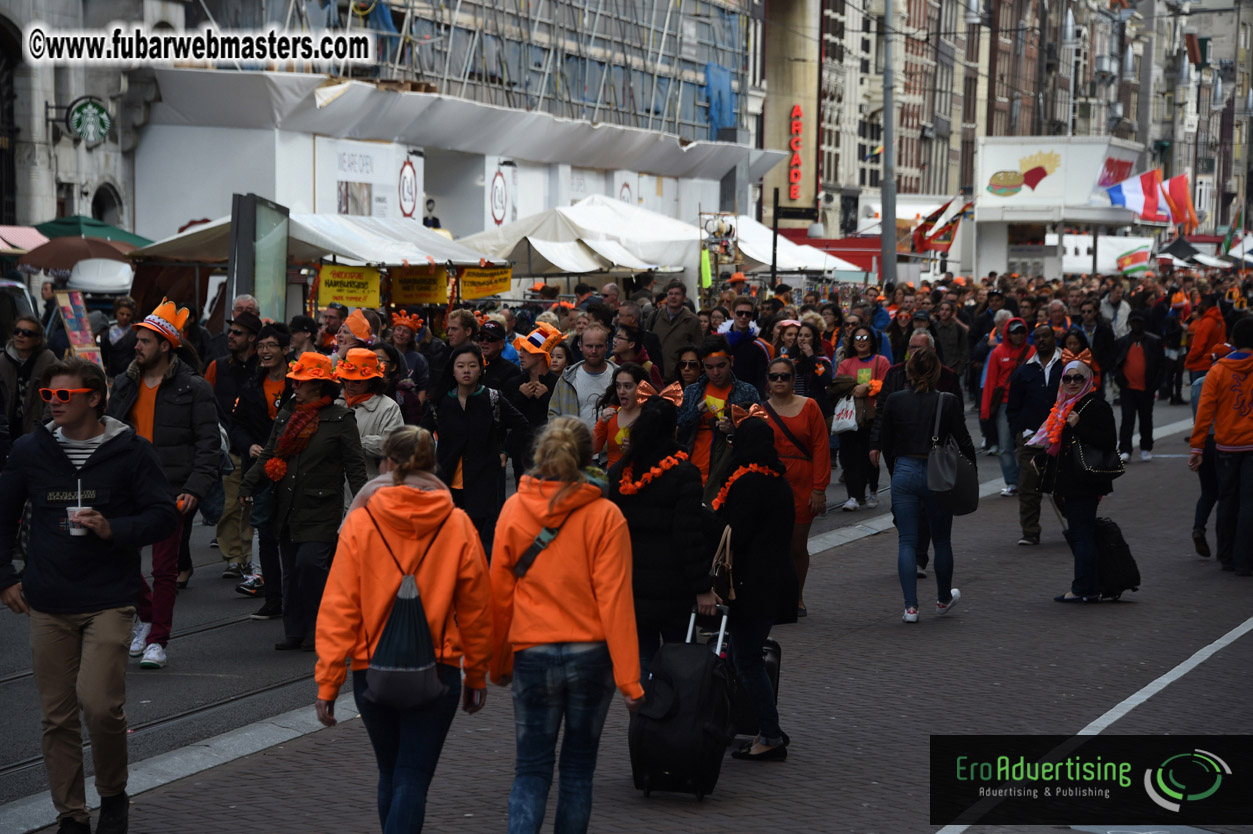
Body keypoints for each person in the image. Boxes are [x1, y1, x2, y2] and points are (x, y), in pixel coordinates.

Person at [0, 356, 178, 834]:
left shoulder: (131, 451)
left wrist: (112, 528)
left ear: (94, 398)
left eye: (65, 395)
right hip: (49, 601)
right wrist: (5, 576)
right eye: (47, 395)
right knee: (57, 717)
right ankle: (72, 816)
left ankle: (113, 795)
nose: (54, 402)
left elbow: (164, 516)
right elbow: (3, 517)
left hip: (109, 598)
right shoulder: (30, 450)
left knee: (100, 705)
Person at [314, 426, 494, 834]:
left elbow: (338, 607)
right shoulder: (457, 523)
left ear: (387, 465)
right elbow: (478, 610)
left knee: (389, 772)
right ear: (433, 463)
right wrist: (477, 673)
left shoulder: (361, 522)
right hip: (438, 666)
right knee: (412, 776)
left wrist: (328, 682)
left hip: (371, 666)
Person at [490, 418, 643, 834]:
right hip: (590, 654)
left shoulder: (514, 508)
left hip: (532, 650)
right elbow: (615, 600)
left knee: (531, 770)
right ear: (587, 456)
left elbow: (500, 595)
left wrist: (498, 662)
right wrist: (630, 680)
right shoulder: (606, 515)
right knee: (577, 771)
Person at [106, 300, 219, 670]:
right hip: (126, 486)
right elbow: (107, 428)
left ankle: (157, 639)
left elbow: (208, 446)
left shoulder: (194, 388)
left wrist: (194, 489)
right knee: (117, 557)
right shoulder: (125, 381)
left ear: (166, 345)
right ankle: (148, 615)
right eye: (137, 340)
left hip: (172, 489)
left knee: (165, 569)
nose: (136, 346)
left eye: (144, 341)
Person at [239, 351, 368, 651]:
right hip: (287, 505)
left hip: (322, 507)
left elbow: (355, 466)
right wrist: (248, 484)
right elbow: (270, 453)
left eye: (303, 381)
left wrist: (365, 505)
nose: (295, 385)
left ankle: (322, 627)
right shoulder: (287, 413)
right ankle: (295, 630)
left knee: (311, 565)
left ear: (320, 386)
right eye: (295, 380)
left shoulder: (340, 419)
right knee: (292, 569)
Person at [709, 416, 797, 761]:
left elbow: (734, 534)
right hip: (775, 580)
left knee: (745, 659)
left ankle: (770, 734)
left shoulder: (747, 484)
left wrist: (708, 519)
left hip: (751, 585)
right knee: (745, 654)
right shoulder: (778, 482)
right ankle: (761, 722)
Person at [607, 397, 712, 674]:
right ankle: (676, 715)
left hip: (632, 584)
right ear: (673, 430)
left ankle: (644, 714)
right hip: (673, 589)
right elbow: (689, 535)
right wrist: (703, 587)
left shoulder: (620, 473)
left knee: (643, 659)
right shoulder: (683, 473)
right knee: (682, 663)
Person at [873, 348, 975, 623]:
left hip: (905, 468)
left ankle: (911, 607)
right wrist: (970, 474)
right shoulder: (948, 401)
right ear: (937, 371)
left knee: (907, 540)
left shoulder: (895, 400)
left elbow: (887, 441)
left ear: (908, 371)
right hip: (937, 472)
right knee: (941, 540)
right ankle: (942, 599)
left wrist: (897, 471)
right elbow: (963, 441)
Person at [420, 344, 527, 557]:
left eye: (472, 365)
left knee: (480, 544)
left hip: (483, 481)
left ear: (481, 369)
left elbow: (521, 424)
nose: (466, 370)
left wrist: (505, 452)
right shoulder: (439, 402)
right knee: (450, 543)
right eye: (460, 366)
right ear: (453, 370)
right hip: (447, 482)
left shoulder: (492, 398)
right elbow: (420, 435)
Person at [1032, 357, 1119, 602]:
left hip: (1085, 479)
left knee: (1081, 533)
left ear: (1087, 380)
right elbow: (1059, 445)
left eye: (1078, 377)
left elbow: (1108, 442)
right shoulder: (1064, 405)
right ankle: (1089, 586)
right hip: (1072, 479)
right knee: (1083, 532)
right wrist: (1041, 459)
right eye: (1067, 378)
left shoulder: (1094, 405)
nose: (1072, 382)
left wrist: (1078, 426)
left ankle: (1082, 588)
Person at [227, 323, 293, 616]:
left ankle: (296, 597)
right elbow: (236, 426)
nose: (265, 352)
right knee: (265, 534)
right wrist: (250, 445)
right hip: (261, 469)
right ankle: (274, 598)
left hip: (294, 468)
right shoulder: (253, 385)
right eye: (262, 346)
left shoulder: (299, 383)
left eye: (271, 346)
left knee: (292, 536)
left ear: (286, 350)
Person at [762, 357, 829, 617]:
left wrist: (819, 488)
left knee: (796, 546)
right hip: (771, 482)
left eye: (785, 376)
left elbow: (821, 447)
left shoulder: (810, 406)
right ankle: (772, 595)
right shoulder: (759, 409)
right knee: (770, 544)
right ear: (767, 381)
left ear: (793, 381)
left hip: (803, 482)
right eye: (774, 376)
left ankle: (796, 596)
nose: (779, 381)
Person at [1189, 316, 1253, 575]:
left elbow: (1204, 411)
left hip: (1226, 445)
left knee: (1227, 499)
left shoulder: (1218, 370)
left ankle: (1225, 555)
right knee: (1249, 502)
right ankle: (1245, 559)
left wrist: (1197, 447)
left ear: (1234, 340)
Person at [206, 309, 261, 579]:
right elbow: (206, 404)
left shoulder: (263, 368)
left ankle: (250, 558)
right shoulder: (217, 366)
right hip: (229, 448)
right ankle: (233, 558)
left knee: (252, 506)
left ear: (252, 338)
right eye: (230, 331)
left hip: (255, 447)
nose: (230, 336)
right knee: (229, 507)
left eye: (237, 333)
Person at [677, 335, 762, 489]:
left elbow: (760, 435)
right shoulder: (692, 392)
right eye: (709, 367)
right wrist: (696, 412)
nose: (716, 372)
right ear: (703, 365)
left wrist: (734, 430)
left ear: (732, 361)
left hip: (730, 477)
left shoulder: (747, 392)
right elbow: (677, 431)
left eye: (721, 366)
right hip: (693, 474)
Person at [1006, 325, 1063, 546]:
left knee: (1064, 486)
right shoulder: (1024, 371)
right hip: (1031, 438)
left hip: (1060, 437)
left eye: (1045, 336)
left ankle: (1078, 523)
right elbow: (1013, 407)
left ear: (1054, 338)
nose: (1041, 340)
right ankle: (1030, 531)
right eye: (1037, 337)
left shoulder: (1066, 366)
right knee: (1029, 488)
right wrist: (1018, 433)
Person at [833, 324, 891, 511]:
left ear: (872, 341)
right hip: (850, 417)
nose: (861, 342)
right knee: (850, 458)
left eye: (865, 338)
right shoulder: (846, 363)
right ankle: (853, 496)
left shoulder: (881, 361)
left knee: (870, 458)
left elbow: (886, 384)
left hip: (872, 417)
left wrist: (867, 387)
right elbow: (837, 385)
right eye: (857, 338)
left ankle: (872, 491)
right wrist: (853, 388)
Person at [503, 323, 563, 487]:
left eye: (526, 351)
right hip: (521, 455)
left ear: (539, 355)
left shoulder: (558, 384)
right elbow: (506, 419)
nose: (520, 355)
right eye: (521, 350)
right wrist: (521, 397)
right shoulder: (515, 383)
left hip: (550, 454)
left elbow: (564, 418)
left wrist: (546, 398)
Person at [980, 318, 1034, 497]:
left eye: (1021, 332)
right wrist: (985, 410)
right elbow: (990, 382)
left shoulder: (1032, 351)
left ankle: (1028, 481)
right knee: (1005, 446)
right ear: (1008, 334)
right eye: (1014, 332)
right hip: (1004, 403)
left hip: (1026, 403)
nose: (1018, 335)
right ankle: (1013, 482)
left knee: (1029, 444)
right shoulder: (997, 352)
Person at [336, 347, 405, 484]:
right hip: (333, 487)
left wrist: (356, 442)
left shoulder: (388, 407)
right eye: (346, 379)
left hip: (368, 486)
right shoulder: (334, 401)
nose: (350, 385)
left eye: (357, 381)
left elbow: (396, 445)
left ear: (372, 381)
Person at [1113, 309, 1165, 463]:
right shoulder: (1122, 342)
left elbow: (1161, 365)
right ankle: (1125, 449)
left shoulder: (1154, 341)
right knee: (1127, 419)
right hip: (1127, 388)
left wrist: (1155, 385)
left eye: (1139, 322)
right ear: (1129, 323)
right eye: (1133, 321)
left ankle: (1146, 448)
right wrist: (1120, 381)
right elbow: (1115, 363)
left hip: (1146, 388)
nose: (1136, 324)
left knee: (1146, 419)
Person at [547, 322, 617, 430]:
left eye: (599, 346)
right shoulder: (567, 378)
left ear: (607, 346)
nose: (593, 351)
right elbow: (554, 413)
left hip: (611, 443)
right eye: (589, 346)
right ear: (580, 346)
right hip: (575, 443)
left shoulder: (619, 376)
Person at [1, 314, 57, 439]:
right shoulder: (3, 361)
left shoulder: (49, 362)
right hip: (7, 431)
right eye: (17, 331)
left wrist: (45, 424)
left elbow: (55, 395)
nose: (20, 335)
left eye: (27, 333)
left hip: (37, 431)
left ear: (38, 339)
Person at [592, 364, 648, 470]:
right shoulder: (611, 413)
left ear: (641, 387)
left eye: (628, 386)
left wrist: (634, 451)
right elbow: (593, 449)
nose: (621, 392)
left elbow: (659, 453)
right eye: (618, 386)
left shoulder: (649, 414)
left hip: (640, 479)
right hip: (613, 479)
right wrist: (602, 423)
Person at [647, 279, 705, 383]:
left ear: (684, 298)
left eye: (677, 294)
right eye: (670, 294)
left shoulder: (692, 320)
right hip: (656, 377)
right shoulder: (654, 317)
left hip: (680, 378)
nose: (673, 297)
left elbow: (698, 349)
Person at [716, 295, 773, 395]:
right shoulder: (719, 341)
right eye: (740, 313)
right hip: (721, 395)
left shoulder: (759, 346)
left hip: (749, 398)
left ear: (751, 317)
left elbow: (763, 379)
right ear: (732, 313)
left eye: (748, 314)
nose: (743, 317)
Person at [373, 341, 424, 425]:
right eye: (370, 359)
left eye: (379, 360)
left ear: (393, 367)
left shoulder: (406, 396)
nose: (374, 364)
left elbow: (411, 431)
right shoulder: (357, 387)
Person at [792, 321, 834, 422]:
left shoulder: (822, 360)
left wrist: (811, 357)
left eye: (807, 336)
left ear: (814, 339)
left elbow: (826, 379)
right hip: (795, 409)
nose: (802, 339)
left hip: (818, 411)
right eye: (800, 335)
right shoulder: (790, 359)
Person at [1184, 294, 1227, 384]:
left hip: (1200, 365)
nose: (1197, 307)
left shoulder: (1206, 322)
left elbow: (1198, 347)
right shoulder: (1220, 321)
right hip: (1215, 364)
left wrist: (1188, 360)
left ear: (1204, 305)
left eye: (1199, 304)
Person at [389, 310, 432, 389]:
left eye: (406, 332)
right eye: (398, 329)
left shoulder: (418, 359)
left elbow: (423, 387)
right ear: (393, 332)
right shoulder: (384, 353)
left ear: (411, 338)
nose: (401, 334)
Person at [611, 323, 663, 388]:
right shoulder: (611, 362)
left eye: (619, 338)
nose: (614, 340)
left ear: (631, 344)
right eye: (615, 337)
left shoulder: (649, 368)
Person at [477, 320, 523, 391]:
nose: (484, 342)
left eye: (490, 338)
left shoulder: (512, 371)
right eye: (481, 338)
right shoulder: (470, 366)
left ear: (501, 344)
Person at [101, 297, 138, 380]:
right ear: (116, 313)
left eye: (128, 315)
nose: (125, 317)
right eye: (122, 314)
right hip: (111, 375)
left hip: (128, 376)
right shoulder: (107, 333)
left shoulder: (135, 333)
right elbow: (103, 354)